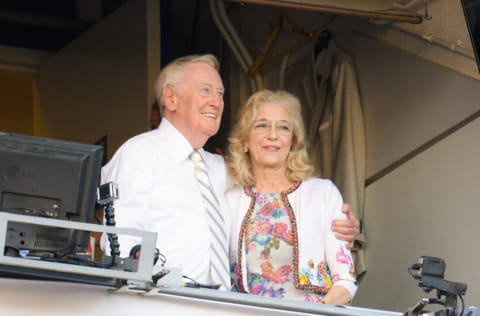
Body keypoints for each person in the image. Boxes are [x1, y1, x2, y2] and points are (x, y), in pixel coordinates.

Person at [100, 54, 358, 290]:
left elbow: (273, 195)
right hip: (163, 302)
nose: (217, 102)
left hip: (219, 305)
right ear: (171, 98)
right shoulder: (140, 154)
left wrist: (341, 224)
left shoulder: (221, 169)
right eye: (205, 91)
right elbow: (120, 241)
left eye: (221, 93)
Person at [225, 89, 357, 304]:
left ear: (293, 142)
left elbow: (346, 280)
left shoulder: (323, 193)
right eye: (261, 125)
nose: (273, 135)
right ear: (245, 140)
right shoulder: (230, 199)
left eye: (283, 127)